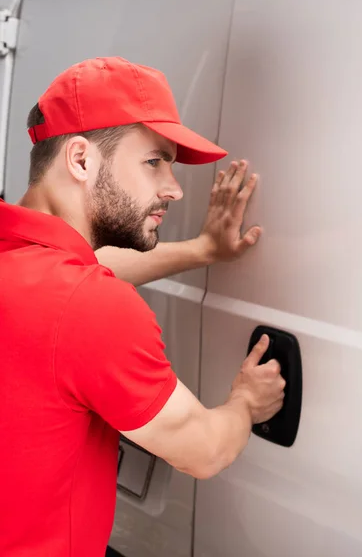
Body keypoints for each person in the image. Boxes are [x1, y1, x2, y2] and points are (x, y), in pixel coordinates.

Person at [0, 56, 285, 557]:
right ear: (82, 160)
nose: (174, 188)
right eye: (155, 161)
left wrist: (202, 251)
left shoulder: (25, 263)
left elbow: (73, 276)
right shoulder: (89, 307)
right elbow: (205, 449)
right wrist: (247, 402)